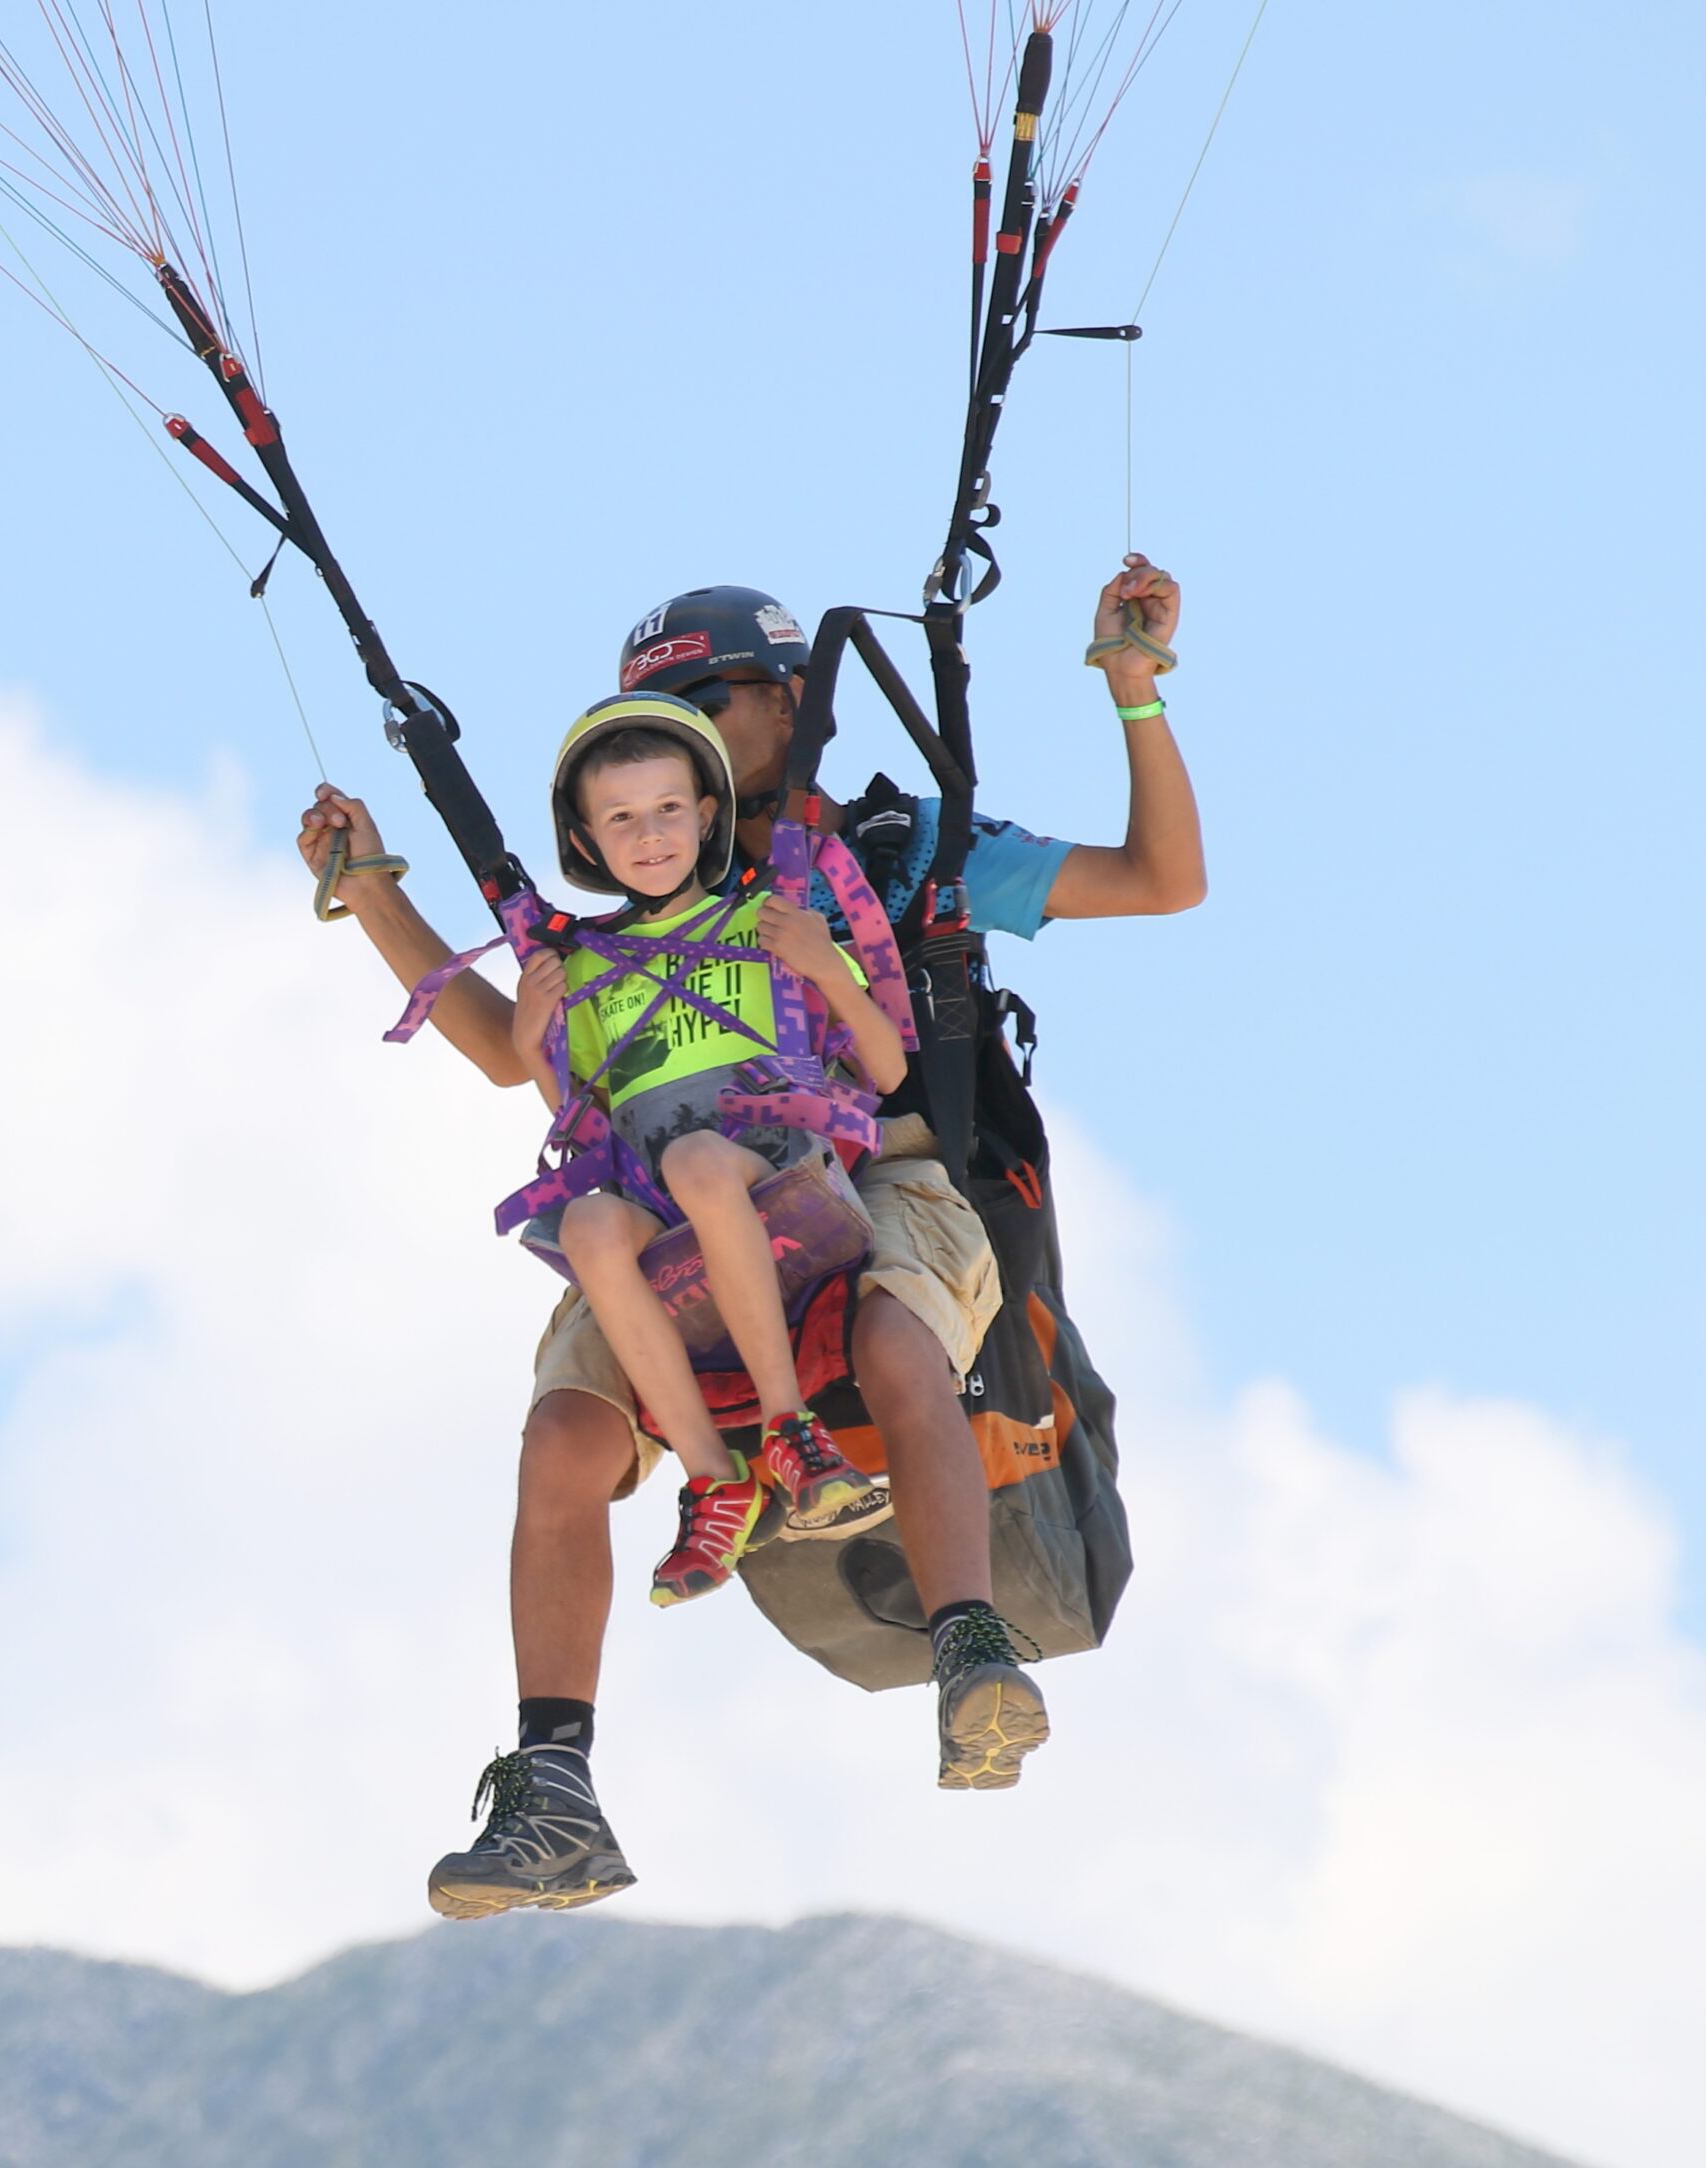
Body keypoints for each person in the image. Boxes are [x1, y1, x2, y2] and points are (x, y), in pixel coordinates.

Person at [298, 556, 1204, 1917]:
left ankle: (970, 1650)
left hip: (875, 1172)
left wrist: (1132, 688)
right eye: (652, 731)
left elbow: (1160, 879)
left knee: (892, 1339)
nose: (682, 747)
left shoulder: (895, 852)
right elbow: (506, 1048)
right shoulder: (621, 912)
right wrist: (370, 887)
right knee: (561, 1437)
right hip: (673, 1208)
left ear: (787, 703)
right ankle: (555, 1790)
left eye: (709, 704)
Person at [515, 695, 905, 1609]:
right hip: (668, 1202)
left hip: (783, 1175)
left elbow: (885, 1069)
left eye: (667, 809)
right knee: (588, 1225)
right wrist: (534, 1038)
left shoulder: (764, 919)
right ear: (587, 840)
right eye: (621, 818)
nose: (649, 834)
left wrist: (825, 965)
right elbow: (583, 1121)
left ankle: (789, 1429)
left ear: (706, 816)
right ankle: (713, 1478)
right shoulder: (585, 966)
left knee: (696, 1161)